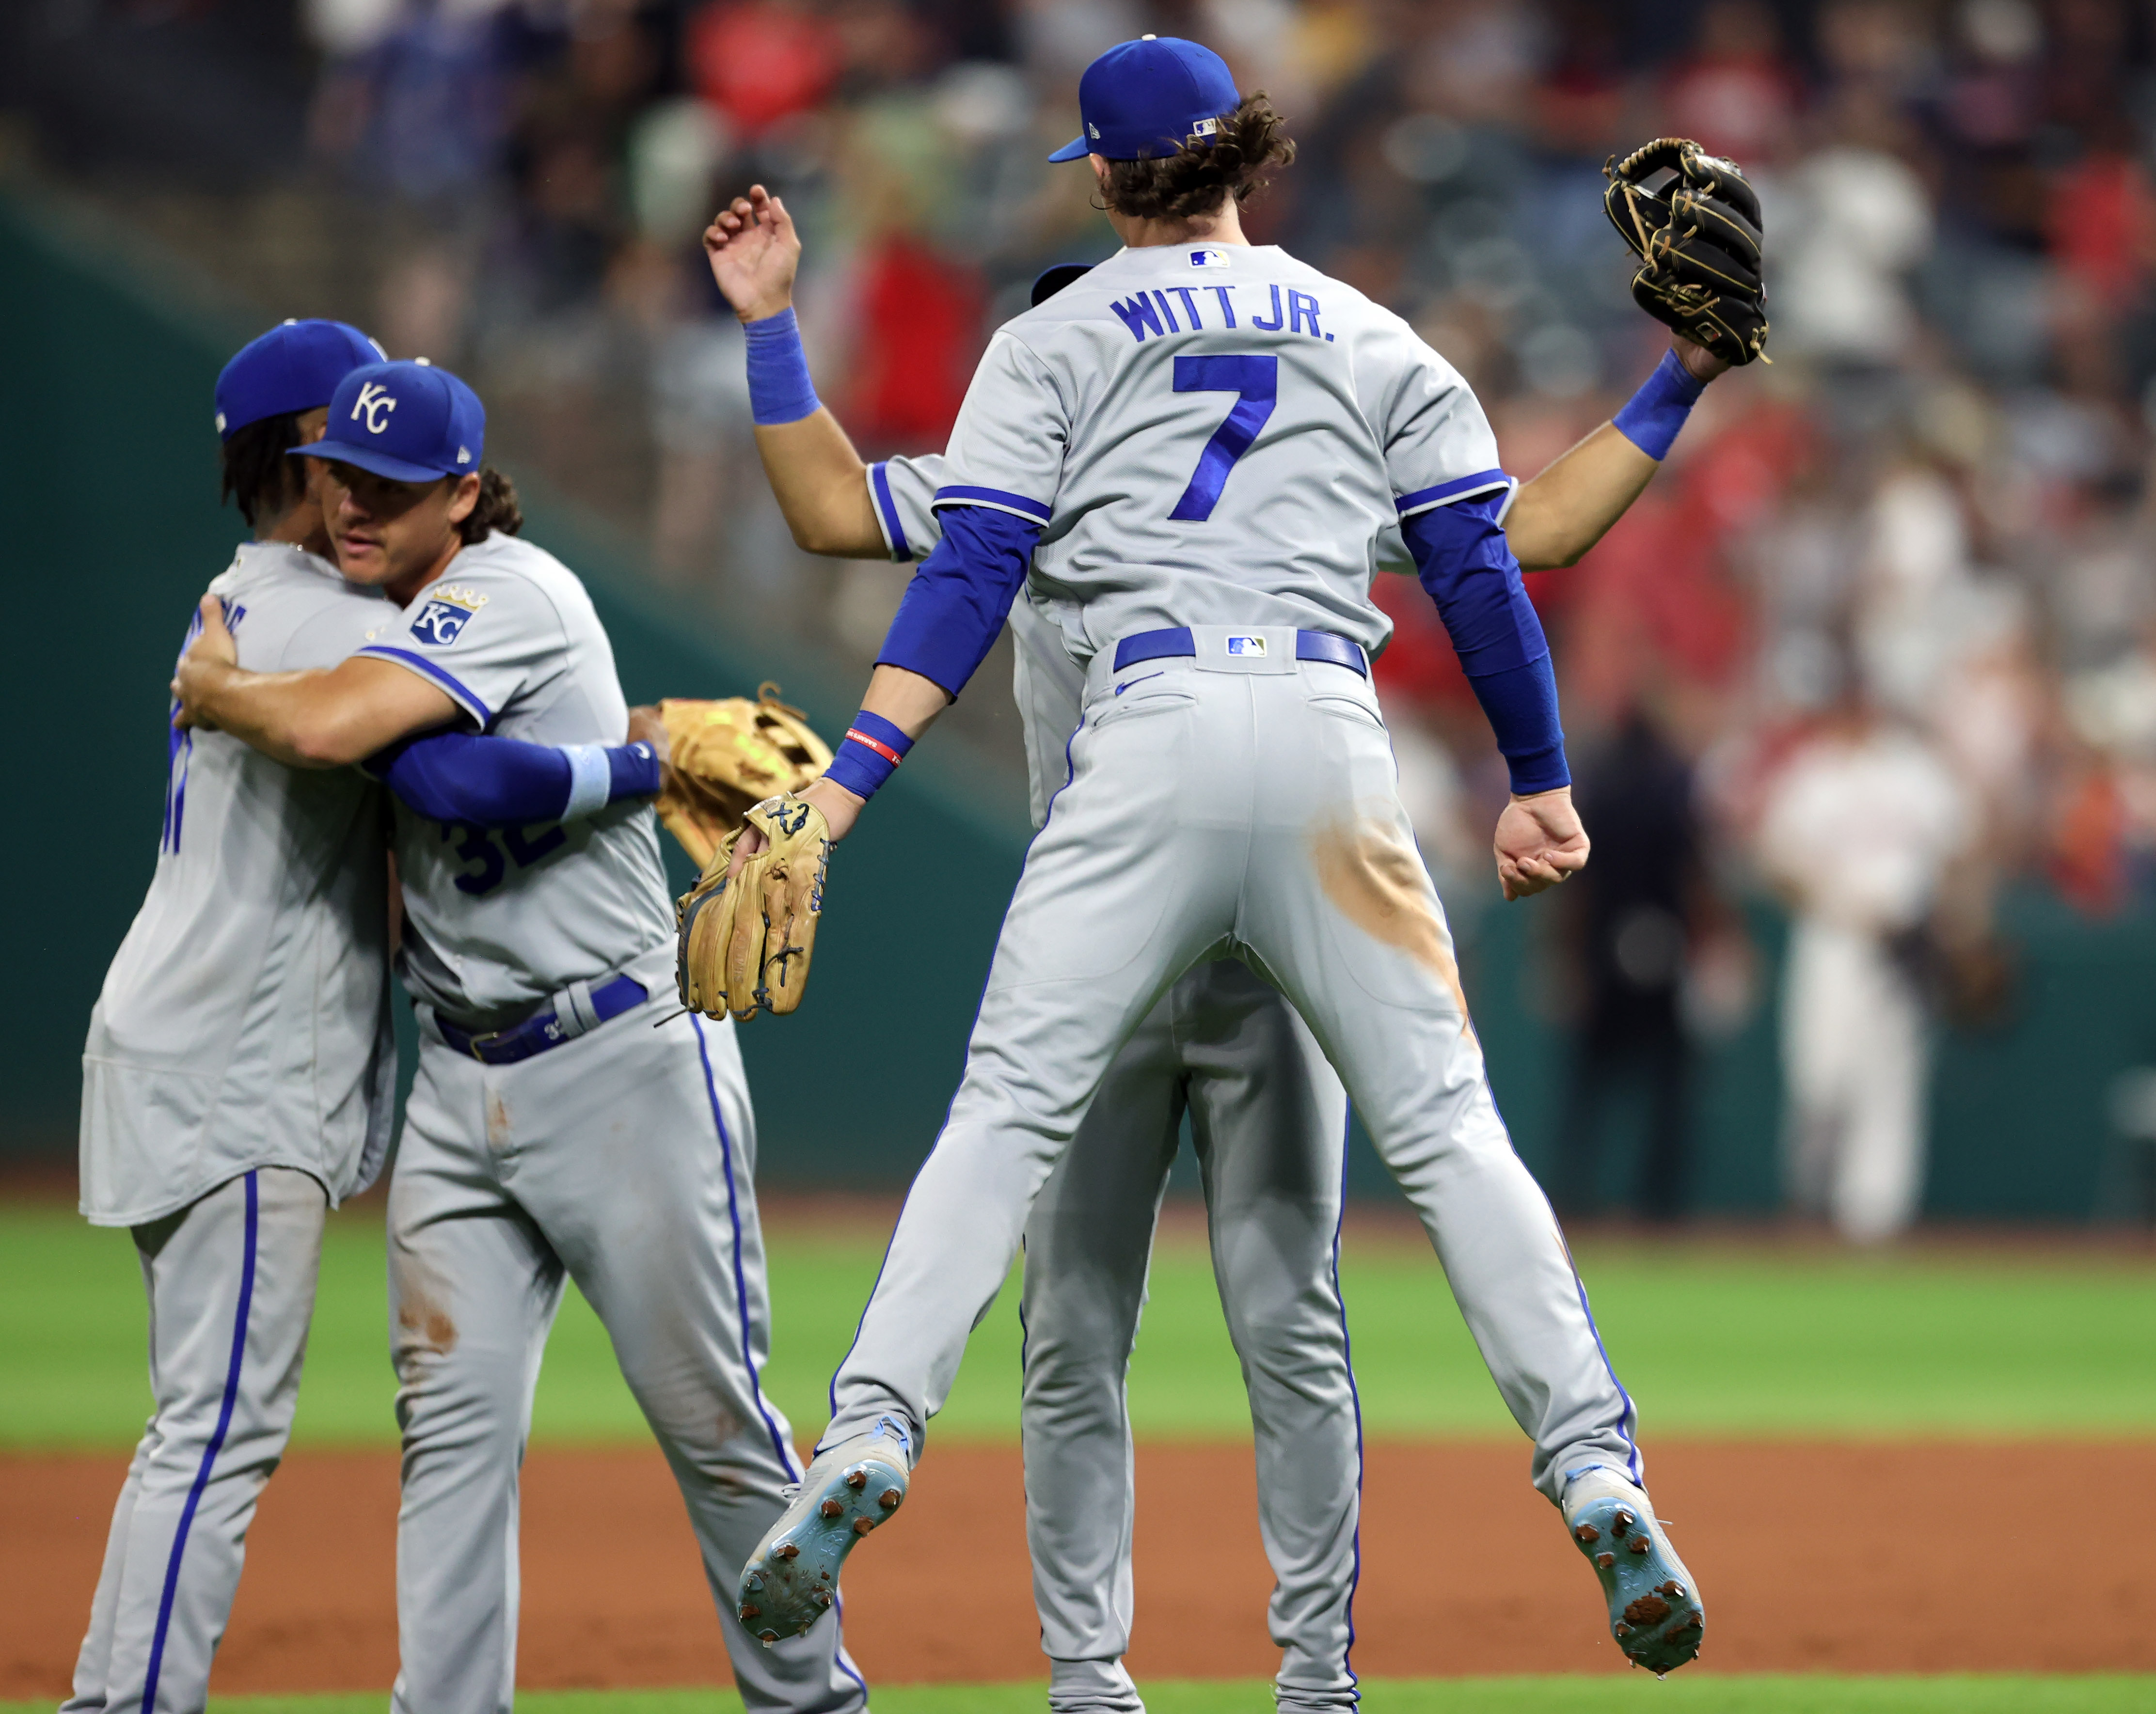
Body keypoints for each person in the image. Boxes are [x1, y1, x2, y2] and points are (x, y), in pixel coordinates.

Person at [719, 36, 1704, 1683]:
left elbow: (910, 552)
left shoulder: (1049, 352)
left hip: (1138, 779)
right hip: (1324, 749)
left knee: (1020, 1172)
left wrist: (850, 781)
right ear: (1241, 162)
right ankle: (1579, 1471)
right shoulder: (1369, 339)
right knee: (1424, 1164)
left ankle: (876, 1439)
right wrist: (1540, 762)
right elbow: (1499, 549)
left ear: (1104, 184)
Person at [169, 359, 867, 1714]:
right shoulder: (368, 609)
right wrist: (634, 753)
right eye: (340, 481)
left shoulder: (513, 590)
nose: (356, 507)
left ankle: (812, 1702)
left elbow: (451, 773)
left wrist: (636, 761)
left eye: (390, 489)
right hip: (460, 1073)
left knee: (715, 1427)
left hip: (623, 1067)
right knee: (448, 1437)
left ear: (467, 496)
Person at [67, 317, 395, 1714]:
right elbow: (485, 737)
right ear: (318, 460)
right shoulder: (338, 623)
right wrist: (657, 748)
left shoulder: (250, 601)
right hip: (239, 1063)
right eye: (366, 440)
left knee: (199, 1422)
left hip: (179, 1036)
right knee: (217, 1427)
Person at [1757, 681, 1972, 1242]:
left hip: (1904, 943)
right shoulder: (1815, 772)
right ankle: (1809, 1198)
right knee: (1819, 1077)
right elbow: (1774, 858)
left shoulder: (1915, 770)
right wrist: (1831, 899)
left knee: (1891, 1080)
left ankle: (1874, 1220)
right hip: (1834, 940)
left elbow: (1959, 846)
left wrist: (1949, 917)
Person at [1553, 706, 1704, 1223]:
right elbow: (1695, 874)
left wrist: (1565, 957)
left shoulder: (1605, 786)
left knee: (1596, 1086)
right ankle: (1657, 1204)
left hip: (1610, 947)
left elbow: (1576, 886)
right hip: (1656, 942)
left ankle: (1580, 1197)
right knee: (1660, 1085)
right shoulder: (1669, 786)